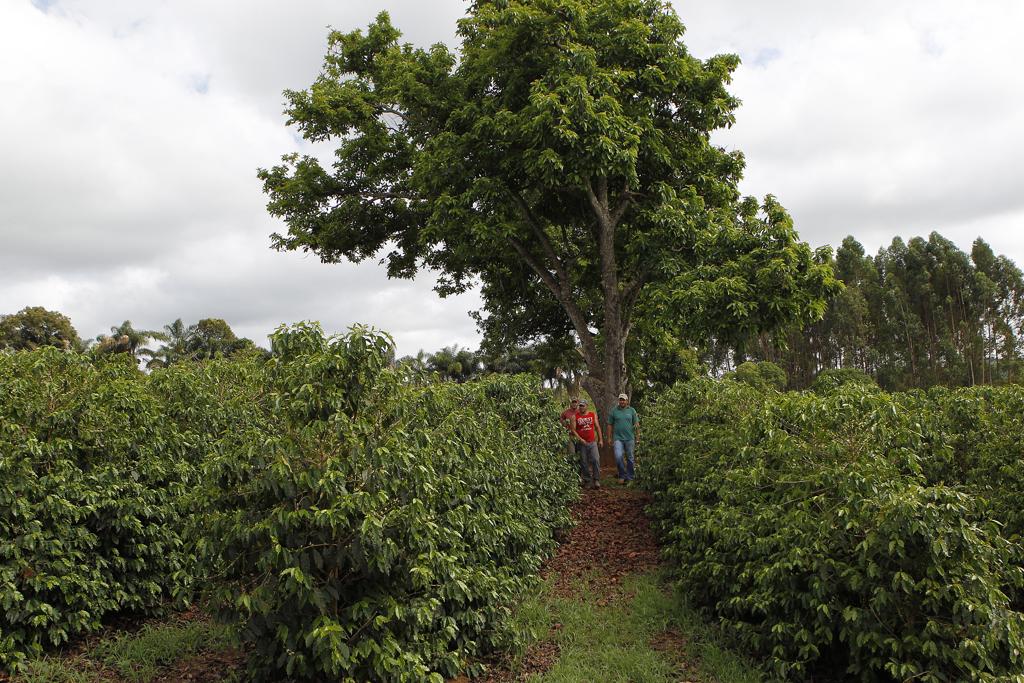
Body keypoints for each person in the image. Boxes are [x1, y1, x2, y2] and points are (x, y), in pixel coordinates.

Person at [606, 393, 639, 485]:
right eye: (620, 400)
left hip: (630, 438)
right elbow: (609, 425)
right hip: (618, 438)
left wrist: (638, 437)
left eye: (624, 400)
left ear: (627, 401)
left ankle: (630, 477)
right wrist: (608, 438)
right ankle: (622, 475)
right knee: (618, 456)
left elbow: (636, 424)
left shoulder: (632, 410)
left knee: (630, 458)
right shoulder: (614, 411)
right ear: (618, 401)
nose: (622, 401)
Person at [572, 399, 603, 488]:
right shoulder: (575, 416)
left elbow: (597, 427)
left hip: (592, 442)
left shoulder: (592, 415)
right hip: (582, 443)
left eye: (583, 406)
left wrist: (600, 440)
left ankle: (596, 479)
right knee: (584, 462)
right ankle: (587, 480)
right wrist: (580, 439)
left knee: (596, 459)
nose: (581, 407)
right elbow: (573, 430)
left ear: (587, 406)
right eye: (580, 406)